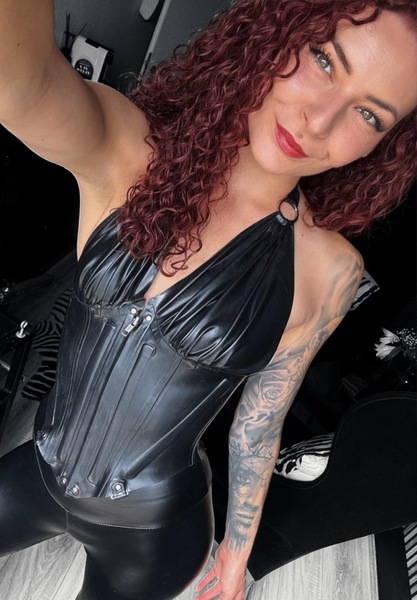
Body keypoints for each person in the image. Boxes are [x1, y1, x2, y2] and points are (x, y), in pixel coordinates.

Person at [0, 0, 416, 599]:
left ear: (383, 148)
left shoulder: (329, 269)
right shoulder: (127, 150)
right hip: (40, 467)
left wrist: (236, 553)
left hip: (156, 534)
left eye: (369, 115)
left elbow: (257, 424)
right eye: (324, 59)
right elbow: (23, 81)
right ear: (277, 32)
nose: (318, 123)